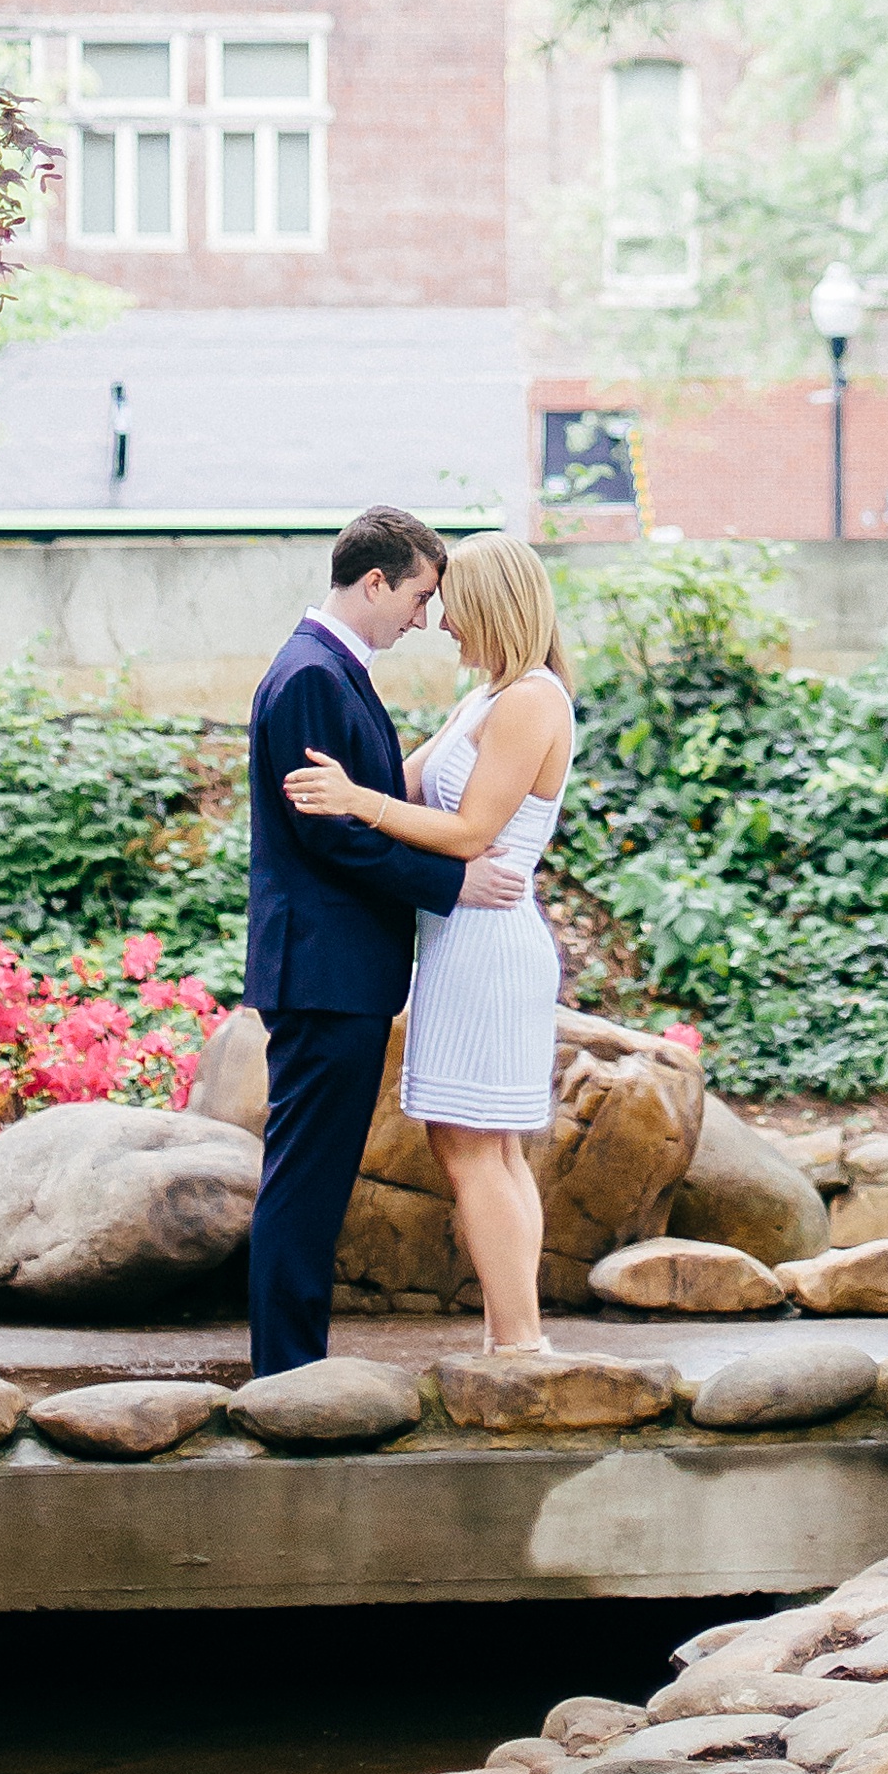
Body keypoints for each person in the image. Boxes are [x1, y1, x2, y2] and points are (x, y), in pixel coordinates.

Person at [241, 502, 522, 1381]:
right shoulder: (315, 675)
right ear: (375, 582)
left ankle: (294, 1364)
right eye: (418, 595)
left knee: (315, 1175)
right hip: (325, 973)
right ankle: (287, 1372)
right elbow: (332, 835)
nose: (425, 617)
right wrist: (454, 881)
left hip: (335, 971)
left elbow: (365, 802)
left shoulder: (328, 668)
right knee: (307, 1177)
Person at [284, 526, 575, 1358]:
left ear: (493, 606)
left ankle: (516, 1343)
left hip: (489, 939)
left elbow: (469, 831)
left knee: (473, 1142)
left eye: (452, 606)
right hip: (459, 939)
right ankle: (510, 1337)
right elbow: (404, 783)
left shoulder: (532, 700)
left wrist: (355, 803)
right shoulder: (487, 697)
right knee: (479, 1141)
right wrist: (349, 778)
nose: (441, 622)